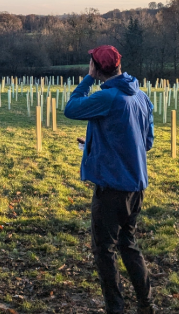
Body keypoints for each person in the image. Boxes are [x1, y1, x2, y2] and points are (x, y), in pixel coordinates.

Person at [64, 45, 155, 314]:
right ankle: (146, 303)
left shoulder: (108, 97)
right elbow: (145, 142)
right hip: (136, 185)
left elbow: (71, 108)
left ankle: (115, 308)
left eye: (91, 64)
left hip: (111, 188)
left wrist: (88, 79)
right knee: (128, 244)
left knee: (104, 250)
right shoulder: (140, 95)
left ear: (97, 66)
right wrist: (102, 145)